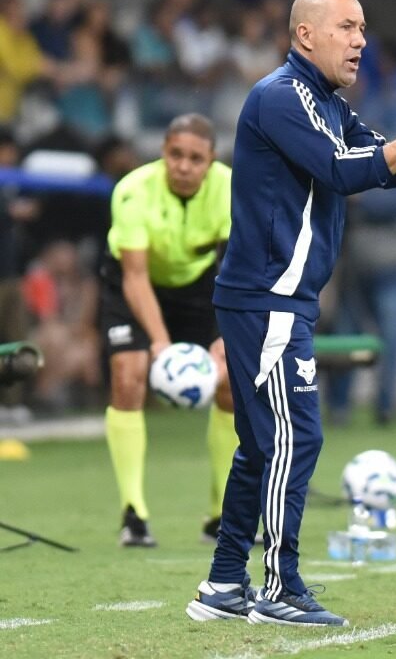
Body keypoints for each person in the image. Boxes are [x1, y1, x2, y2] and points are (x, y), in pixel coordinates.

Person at [187, 0, 396, 627]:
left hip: (278, 299)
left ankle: (221, 585)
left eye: (364, 28)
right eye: (347, 27)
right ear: (305, 36)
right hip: (267, 297)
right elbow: (346, 171)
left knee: (261, 446)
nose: (360, 41)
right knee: (297, 438)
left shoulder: (325, 102)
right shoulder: (280, 97)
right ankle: (279, 585)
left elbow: (385, 163)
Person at [99, 113, 234, 547]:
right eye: (175, 155)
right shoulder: (133, 191)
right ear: (162, 153)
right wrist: (161, 343)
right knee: (128, 376)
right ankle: (133, 513)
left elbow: (242, 267)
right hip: (132, 284)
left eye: (196, 158)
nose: (184, 166)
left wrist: (226, 333)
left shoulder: (232, 190)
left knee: (231, 379)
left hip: (201, 285)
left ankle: (221, 515)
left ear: (211, 161)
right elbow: (135, 277)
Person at [328, 187, 396, 426]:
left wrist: (357, 197)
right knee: (344, 339)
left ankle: (386, 406)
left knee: (390, 342)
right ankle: (339, 407)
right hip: (354, 272)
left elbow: (392, 205)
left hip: (393, 270)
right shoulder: (355, 156)